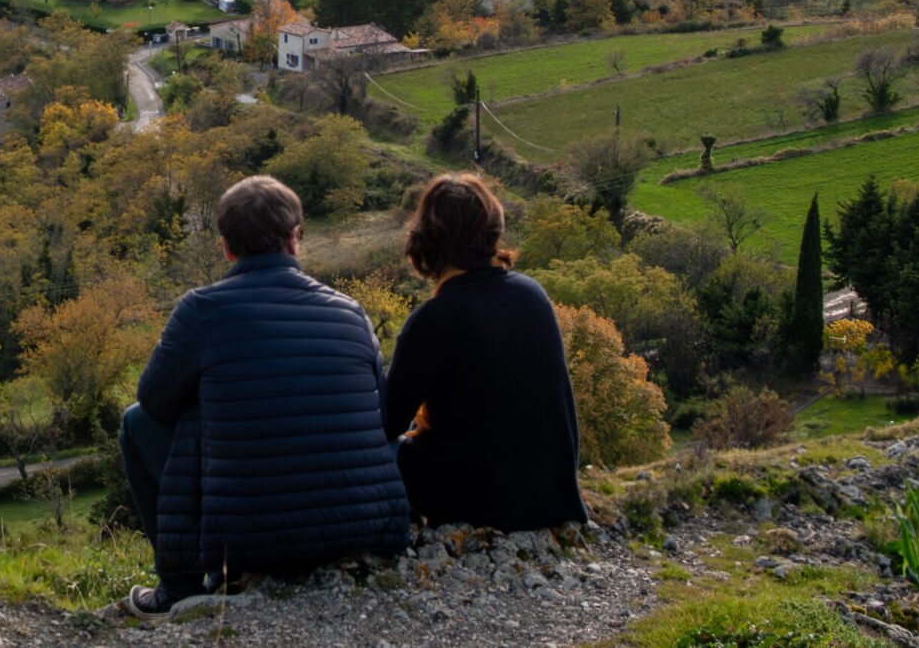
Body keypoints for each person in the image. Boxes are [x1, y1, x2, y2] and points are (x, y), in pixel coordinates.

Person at [114, 175, 409, 623]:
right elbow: (383, 416)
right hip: (367, 528)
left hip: (246, 541)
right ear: (294, 240)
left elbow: (153, 403)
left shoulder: (200, 310)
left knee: (137, 422)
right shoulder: (351, 311)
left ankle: (179, 589)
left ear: (226, 248)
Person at [383, 173, 587, 531]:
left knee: (382, 450)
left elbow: (386, 423)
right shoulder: (532, 295)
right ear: (493, 230)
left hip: (477, 504)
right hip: (551, 498)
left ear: (425, 240)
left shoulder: (432, 320)